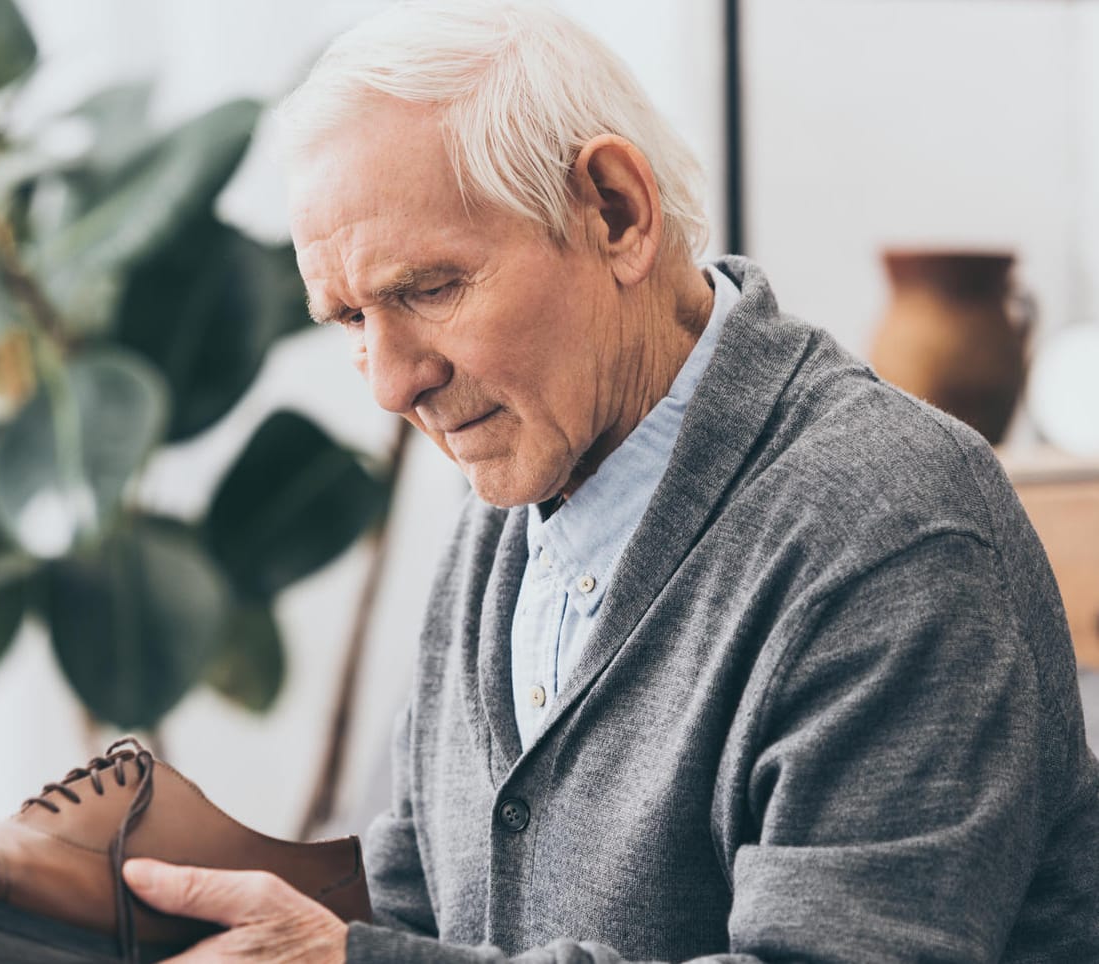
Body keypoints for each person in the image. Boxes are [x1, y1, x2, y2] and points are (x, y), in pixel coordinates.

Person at [121, 2, 1099, 960]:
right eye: (347, 319)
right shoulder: (506, 513)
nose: (390, 382)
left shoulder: (890, 527)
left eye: (429, 288)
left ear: (616, 212)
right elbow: (416, 910)